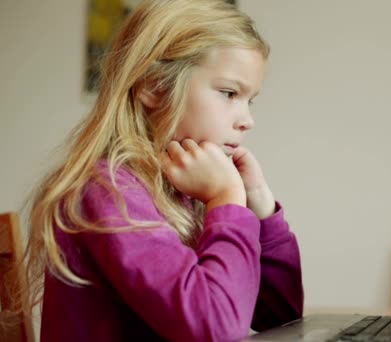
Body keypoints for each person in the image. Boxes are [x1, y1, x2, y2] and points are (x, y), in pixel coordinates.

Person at [12, 0, 304, 341]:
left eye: (249, 100)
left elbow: (282, 316)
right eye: (229, 93)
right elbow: (215, 330)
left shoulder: (184, 191)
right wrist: (227, 202)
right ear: (154, 86)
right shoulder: (110, 192)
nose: (247, 120)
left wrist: (259, 205)